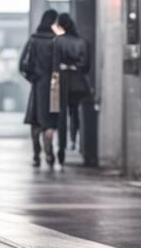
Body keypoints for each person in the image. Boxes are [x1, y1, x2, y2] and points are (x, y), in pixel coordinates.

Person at [20, 9, 59, 167]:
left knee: (35, 120)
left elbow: (22, 64)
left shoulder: (33, 40)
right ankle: (49, 153)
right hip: (54, 85)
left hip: (38, 85)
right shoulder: (56, 41)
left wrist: (33, 78)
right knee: (49, 121)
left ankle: (36, 154)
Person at [52, 13, 90, 165]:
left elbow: (53, 64)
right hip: (77, 80)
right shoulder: (82, 42)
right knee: (76, 113)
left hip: (59, 80)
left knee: (60, 116)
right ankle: (76, 142)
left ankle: (61, 147)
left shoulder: (57, 41)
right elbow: (86, 66)